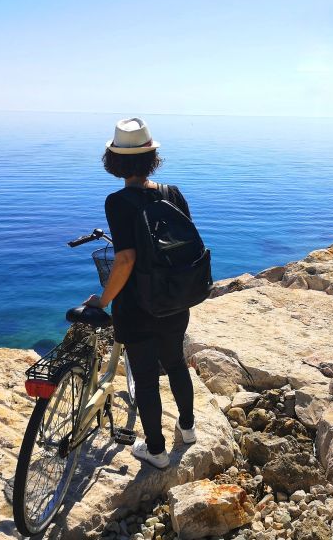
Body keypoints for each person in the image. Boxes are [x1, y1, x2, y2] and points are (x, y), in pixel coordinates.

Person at [84, 117, 196, 469]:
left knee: (145, 378)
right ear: (152, 158)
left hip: (137, 305)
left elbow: (126, 259)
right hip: (175, 296)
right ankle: (188, 429)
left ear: (115, 161)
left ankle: (157, 451)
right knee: (176, 363)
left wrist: (102, 300)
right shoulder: (172, 193)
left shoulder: (117, 202)